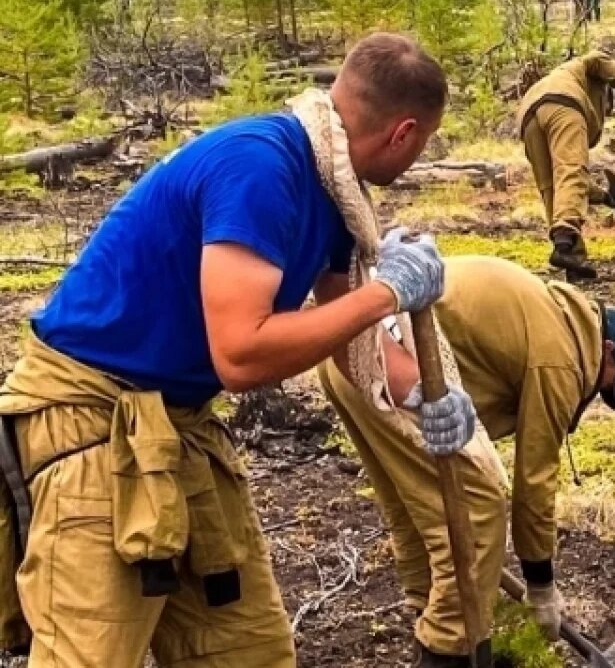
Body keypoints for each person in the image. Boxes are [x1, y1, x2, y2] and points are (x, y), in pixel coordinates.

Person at [0, 33, 477, 668]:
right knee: (90, 655)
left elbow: (346, 329)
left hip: (178, 423)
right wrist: (389, 292)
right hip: (91, 422)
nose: (419, 159)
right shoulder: (262, 167)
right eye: (424, 145)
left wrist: (420, 392)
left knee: (246, 650)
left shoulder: (334, 188)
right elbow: (242, 355)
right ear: (403, 133)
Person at [318, 255, 615, 668]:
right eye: (612, 381)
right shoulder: (562, 358)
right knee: (479, 511)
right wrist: (541, 585)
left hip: (350, 349)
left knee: (419, 514)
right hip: (395, 365)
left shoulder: (552, 317)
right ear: (608, 350)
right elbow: (535, 479)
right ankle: (449, 650)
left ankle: (433, 625)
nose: (602, 392)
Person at [517, 50, 615, 280]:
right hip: (561, 103)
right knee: (570, 170)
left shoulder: (555, 79)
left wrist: (604, 196)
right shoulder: (578, 73)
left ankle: (572, 258)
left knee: (551, 186)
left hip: (528, 114)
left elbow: (567, 182)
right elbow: (598, 56)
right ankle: (565, 237)